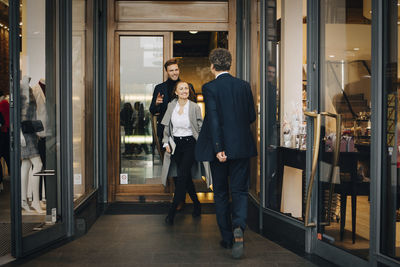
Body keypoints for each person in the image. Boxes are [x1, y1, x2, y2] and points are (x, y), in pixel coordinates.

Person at [195, 48, 257, 259]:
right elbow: (251, 116)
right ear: (229, 65)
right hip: (241, 147)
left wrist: (219, 147)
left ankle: (227, 237)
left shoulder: (210, 87)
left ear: (212, 66)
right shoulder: (244, 86)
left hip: (218, 150)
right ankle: (239, 226)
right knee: (239, 190)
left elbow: (212, 118)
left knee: (221, 193)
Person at [161, 81, 203, 225]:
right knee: (186, 177)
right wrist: (166, 142)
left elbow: (200, 127)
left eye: (186, 88)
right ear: (176, 92)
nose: (185, 90)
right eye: (181, 88)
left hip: (191, 144)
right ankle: (197, 204)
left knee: (181, 176)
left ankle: (171, 212)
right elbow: (167, 125)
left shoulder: (195, 107)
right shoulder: (171, 106)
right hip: (176, 146)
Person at [149, 58, 180, 147]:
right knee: (167, 160)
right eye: (171, 70)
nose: (174, 73)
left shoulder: (186, 87)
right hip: (165, 131)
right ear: (167, 72)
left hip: (184, 131)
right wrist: (157, 104)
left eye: (176, 70)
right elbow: (152, 110)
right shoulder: (159, 88)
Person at [0, 90, 10, 192]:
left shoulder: (2, 104)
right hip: (6, 132)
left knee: (5, 155)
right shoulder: (6, 103)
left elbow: (3, 121)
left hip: (4, 133)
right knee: (7, 157)